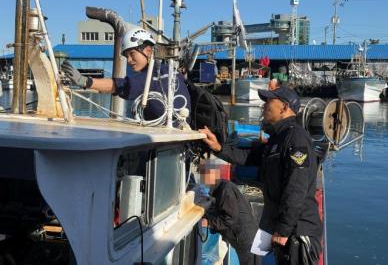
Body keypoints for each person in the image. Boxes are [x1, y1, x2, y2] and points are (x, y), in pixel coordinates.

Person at [199, 85, 322, 265]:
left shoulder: (296, 138)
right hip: (281, 231)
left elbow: (296, 186)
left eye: (269, 101)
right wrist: (218, 147)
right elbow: (247, 157)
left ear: (285, 107)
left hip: (297, 233)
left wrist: (284, 229)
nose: (264, 106)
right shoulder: (277, 139)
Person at [61, 27, 191, 123]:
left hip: (168, 145)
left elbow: (124, 85)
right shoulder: (167, 70)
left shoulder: (155, 75)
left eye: (132, 54)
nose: (129, 60)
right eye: (126, 56)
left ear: (149, 51)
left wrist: (85, 81)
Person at [199, 165, 259, 265]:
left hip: (245, 238)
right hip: (244, 235)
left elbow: (230, 218)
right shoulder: (221, 188)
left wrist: (209, 223)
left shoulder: (225, 190)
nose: (204, 181)